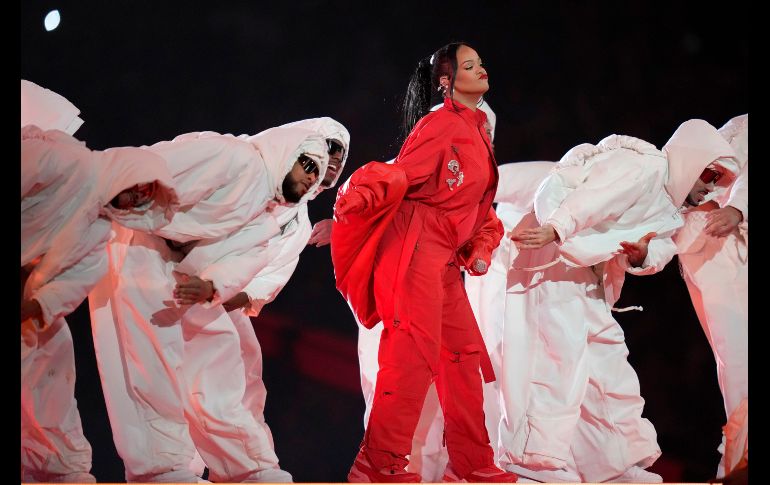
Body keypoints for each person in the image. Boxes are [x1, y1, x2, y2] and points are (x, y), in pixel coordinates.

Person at [88, 125, 329, 483]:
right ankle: (163, 468)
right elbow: (159, 165)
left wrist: (212, 285)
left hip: (192, 281)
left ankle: (245, 468)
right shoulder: (234, 157)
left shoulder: (270, 214)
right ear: (288, 150)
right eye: (308, 164)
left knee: (221, 371)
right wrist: (115, 196)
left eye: (320, 173)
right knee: (147, 365)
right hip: (139, 250)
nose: (312, 177)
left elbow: (251, 258)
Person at [505, 119, 741, 483]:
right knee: (556, 362)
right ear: (692, 161)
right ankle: (532, 466)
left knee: (610, 365)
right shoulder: (644, 166)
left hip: (589, 279)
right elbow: (596, 196)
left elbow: (660, 252)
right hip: (553, 259)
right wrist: (558, 227)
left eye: (717, 182)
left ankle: (617, 466)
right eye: (708, 176)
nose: (710, 189)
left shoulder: (673, 210)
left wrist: (641, 255)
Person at [331, 42, 517, 482]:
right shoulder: (441, 124)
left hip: (443, 257)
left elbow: (480, 211)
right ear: (448, 83)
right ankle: (379, 467)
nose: (482, 68)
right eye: (470, 66)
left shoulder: (476, 131)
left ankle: (473, 466)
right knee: (410, 358)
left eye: (481, 62)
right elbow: (401, 175)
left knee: (462, 358)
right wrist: (353, 201)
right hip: (414, 247)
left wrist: (479, 247)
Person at [21, 84, 178, 483]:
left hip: (26, 291)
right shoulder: (68, 160)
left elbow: (78, 277)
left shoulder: (101, 226)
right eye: (142, 185)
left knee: (52, 352)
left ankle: (55, 467)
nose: (140, 196)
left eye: (147, 196)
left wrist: (40, 305)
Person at [674, 114, 748, 479]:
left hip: (723, 248)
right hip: (708, 242)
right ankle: (739, 459)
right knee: (731, 358)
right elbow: (701, 165)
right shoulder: (739, 127)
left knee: (737, 359)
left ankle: (739, 460)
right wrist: (737, 208)